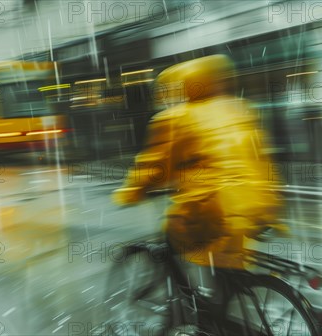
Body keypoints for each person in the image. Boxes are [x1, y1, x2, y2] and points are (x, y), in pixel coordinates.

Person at [112, 54, 287, 330]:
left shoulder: (177, 117)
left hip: (213, 211)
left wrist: (131, 191)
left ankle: (201, 320)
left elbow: (155, 166)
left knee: (175, 238)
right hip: (257, 205)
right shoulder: (239, 109)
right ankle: (223, 315)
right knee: (226, 271)